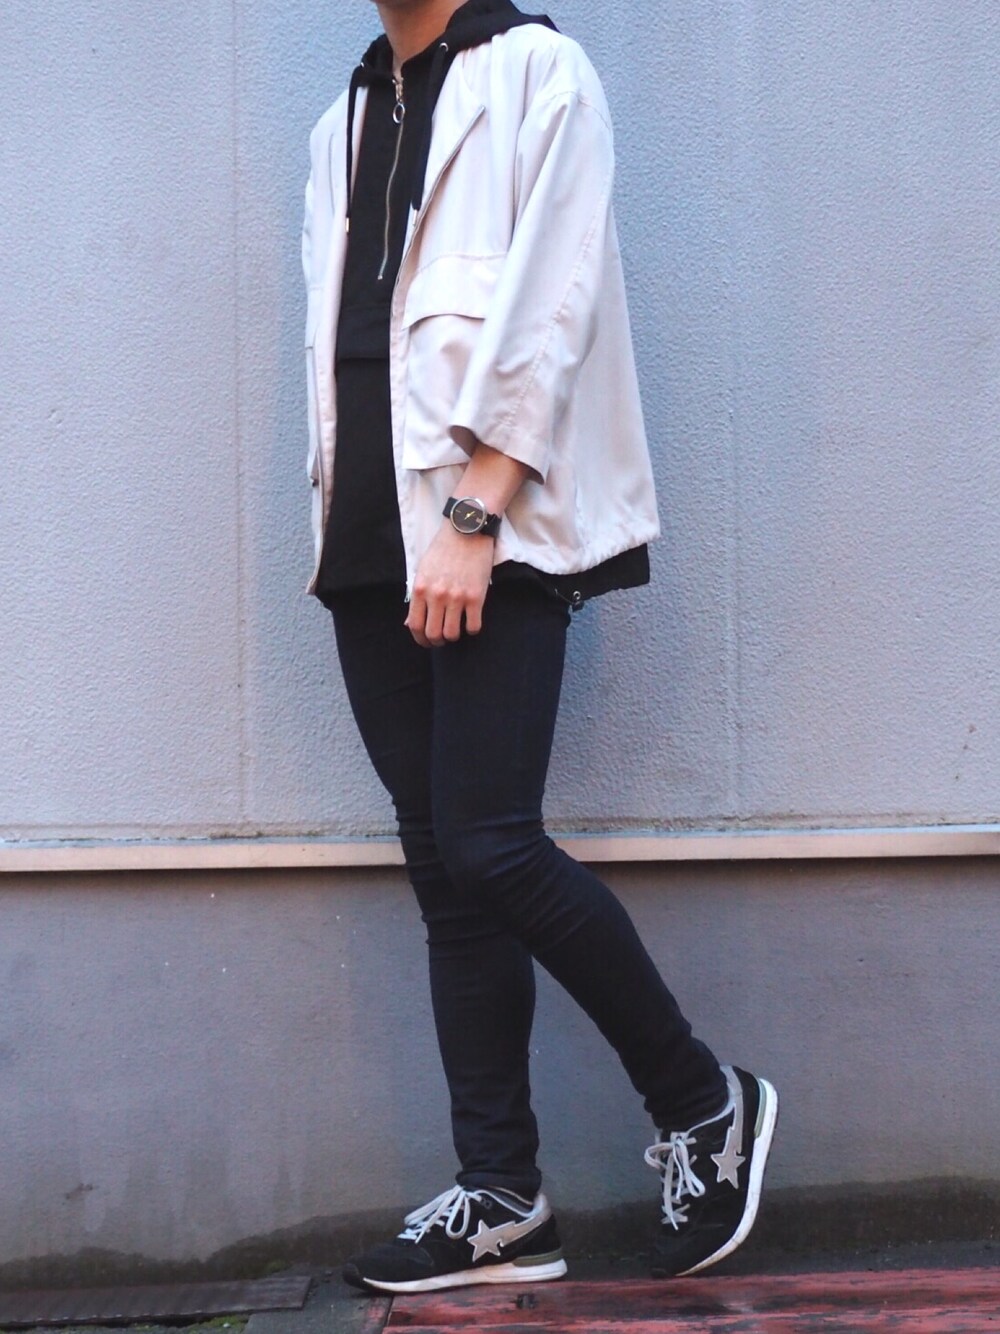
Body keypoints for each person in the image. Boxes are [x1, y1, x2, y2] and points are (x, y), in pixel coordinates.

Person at [301, 0, 777, 1295]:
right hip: (367, 539)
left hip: (487, 532)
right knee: (446, 872)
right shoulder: (343, 119)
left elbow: (555, 302)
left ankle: (705, 1102)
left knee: (491, 842)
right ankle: (503, 1196)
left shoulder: (538, 72)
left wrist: (476, 511)